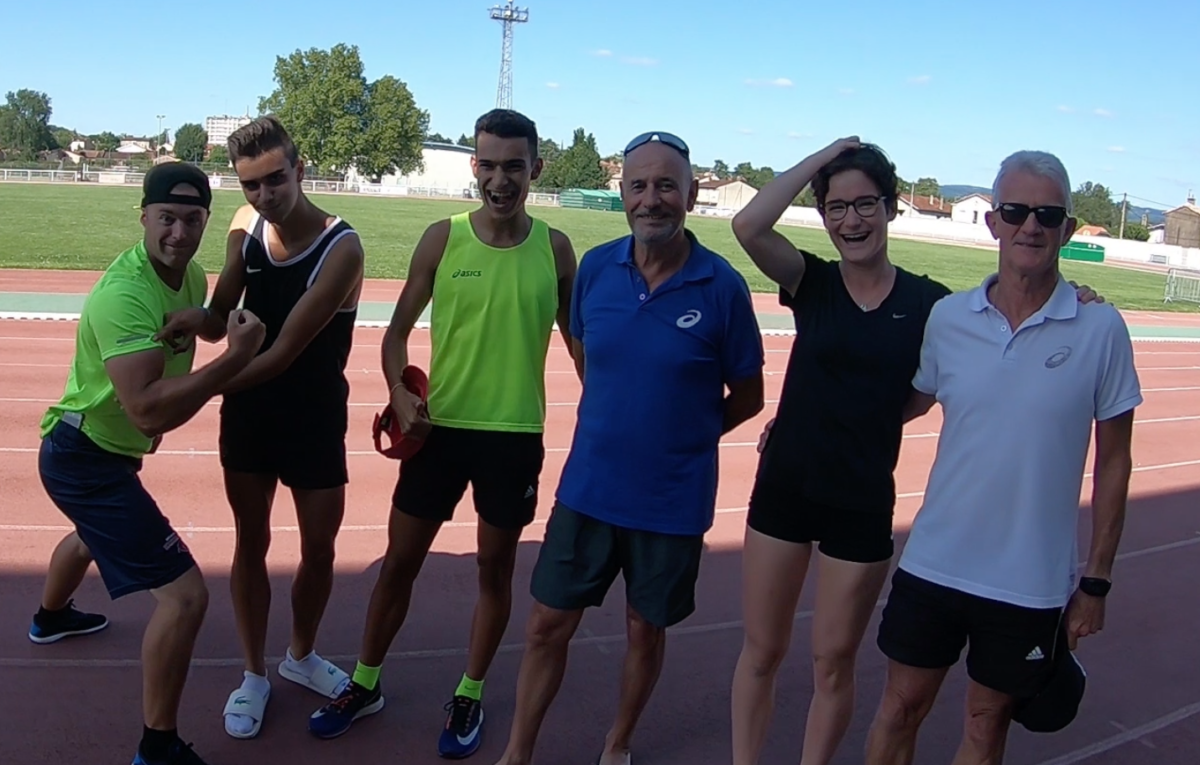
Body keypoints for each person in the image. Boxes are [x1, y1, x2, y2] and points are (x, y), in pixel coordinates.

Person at [728, 139, 1104, 765]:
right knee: (761, 651)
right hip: (785, 488)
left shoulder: (933, 306)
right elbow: (748, 223)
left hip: (862, 500)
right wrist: (827, 155)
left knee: (832, 661)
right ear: (823, 216)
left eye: (866, 204)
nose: (852, 221)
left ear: (891, 207)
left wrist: (1079, 296)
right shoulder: (810, 281)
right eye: (837, 207)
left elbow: (932, 388)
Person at [307, 108, 577, 759]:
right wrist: (400, 388)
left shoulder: (557, 248)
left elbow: (580, 340)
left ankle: (470, 689)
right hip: (440, 430)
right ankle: (364, 681)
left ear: (535, 169)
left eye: (515, 165)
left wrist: (609, 410)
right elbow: (396, 330)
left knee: (494, 568)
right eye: (489, 164)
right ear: (474, 167)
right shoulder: (442, 238)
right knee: (400, 561)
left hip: (514, 436)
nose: (501, 178)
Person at [490, 131, 766, 765]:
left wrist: (682, 433)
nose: (652, 199)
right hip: (588, 490)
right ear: (622, 195)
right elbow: (589, 356)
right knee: (545, 627)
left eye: (666, 185)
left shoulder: (722, 288)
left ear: (692, 194)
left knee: (646, 630)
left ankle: (617, 743)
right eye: (639, 185)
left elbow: (747, 397)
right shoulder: (595, 269)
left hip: (671, 503)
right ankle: (517, 753)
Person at [863, 150, 1141, 765]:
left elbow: (1116, 462)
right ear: (993, 222)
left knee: (987, 723)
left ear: (1068, 228)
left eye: (1048, 214)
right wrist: (812, 418)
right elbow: (904, 404)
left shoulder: (1101, 329)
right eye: (1015, 211)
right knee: (899, 706)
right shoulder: (949, 318)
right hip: (935, 561)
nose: (1031, 227)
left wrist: (1095, 581)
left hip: (1028, 580)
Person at [29, 163, 266, 765]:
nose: (179, 234)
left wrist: (208, 322)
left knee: (91, 536)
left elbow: (203, 327)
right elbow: (147, 412)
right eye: (167, 219)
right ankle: (156, 747)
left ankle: (50, 617)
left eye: (192, 221)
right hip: (85, 457)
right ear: (143, 216)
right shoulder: (124, 294)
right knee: (185, 598)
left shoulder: (189, 277)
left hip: (99, 451)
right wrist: (233, 361)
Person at [156, 114, 366, 739]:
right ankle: (253, 674)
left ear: (300, 170)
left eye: (276, 180)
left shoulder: (342, 247)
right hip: (249, 415)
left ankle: (300, 656)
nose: (265, 196)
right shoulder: (245, 229)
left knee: (320, 548)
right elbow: (223, 317)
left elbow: (281, 354)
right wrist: (190, 319)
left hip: (313, 412)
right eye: (251, 185)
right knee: (251, 541)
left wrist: (193, 391)